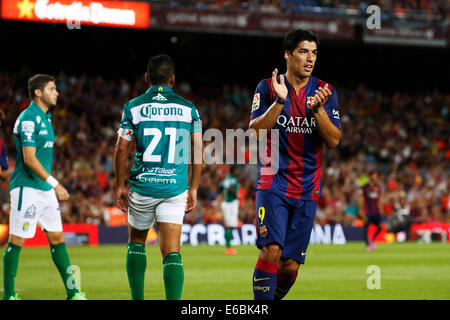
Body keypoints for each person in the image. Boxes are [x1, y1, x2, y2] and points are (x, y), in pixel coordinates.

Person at [248, 29, 341, 300]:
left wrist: (319, 111)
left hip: (307, 187)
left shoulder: (326, 92)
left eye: (314, 52)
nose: (310, 58)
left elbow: (334, 140)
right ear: (288, 55)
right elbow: (255, 131)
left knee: (289, 266)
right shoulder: (267, 87)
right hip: (272, 181)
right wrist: (279, 101)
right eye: (303, 51)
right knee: (272, 251)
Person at [114, 54, 203, 300]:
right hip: (174, 188)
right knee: (172, 252)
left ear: (146, 78)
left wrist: (120, 185)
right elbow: (197, 150)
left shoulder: (134, 106)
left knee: (137, 243)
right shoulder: (189, 108)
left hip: (143, 186)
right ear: (173, 79)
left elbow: (121, 149)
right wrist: (193, 188)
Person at [2, 74, 86, 300]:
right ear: (38, 92)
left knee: (58, 239)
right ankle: (8, 295)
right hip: (26, 189)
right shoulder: (28, 118)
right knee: (17, 240)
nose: (57, 92)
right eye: (52, 88)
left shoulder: (47, 118)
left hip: (44, 191)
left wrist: (50, 186)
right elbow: (29, 159)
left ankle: (72, 292)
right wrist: (55, 183)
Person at [359, 170, 384, 251]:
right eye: (374, 175)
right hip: (367, 211)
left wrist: (381, 209)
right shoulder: (365, 187)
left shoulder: (378, 187)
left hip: (376, 211)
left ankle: (372, 240)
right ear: (370, 176)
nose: (375, 177)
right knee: (366, 228)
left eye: (376, 175)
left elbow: (380, 199)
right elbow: (362, 199)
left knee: (380, 227)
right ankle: (367, 245)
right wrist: (361, 210)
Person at [218, 165, 240, 255]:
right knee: (230, 225)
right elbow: (232, 189)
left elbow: (220, 187)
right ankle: (228, 247)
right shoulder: (233, 180)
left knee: (229, 225)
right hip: (231, 203)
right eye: (237, 170)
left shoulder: (226, 180)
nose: (238, 172)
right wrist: (236, 194)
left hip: (226, 203)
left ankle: (228, 246)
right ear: (233, 171)